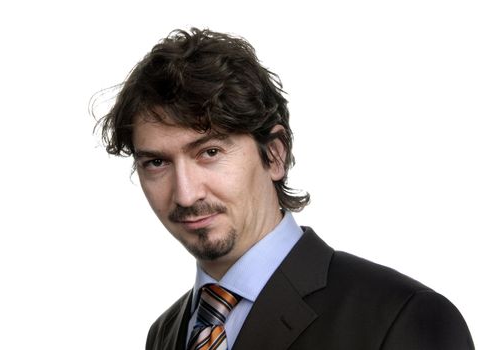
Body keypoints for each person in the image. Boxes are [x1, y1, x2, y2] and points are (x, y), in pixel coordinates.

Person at [96, 28, 474, 350]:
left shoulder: (403, 317)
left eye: (209, 152)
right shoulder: (166, 334)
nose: (185, 195)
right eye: (156, 163)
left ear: (275, 156)